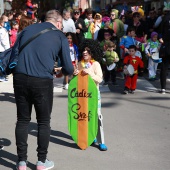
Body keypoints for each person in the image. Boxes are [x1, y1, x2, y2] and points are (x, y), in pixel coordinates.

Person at [12, 10, 74, 170]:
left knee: (22, 120)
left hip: (19, 77)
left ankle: (21, 162)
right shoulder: (60, 35)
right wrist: (60, 71)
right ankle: (41, 161)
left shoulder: (27, 29)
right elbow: (68, 68)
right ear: (59, 23)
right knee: (43, 121)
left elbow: (15, 52)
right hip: (42, 80)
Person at [73, 39, 107, 151]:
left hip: (94, 96)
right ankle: (90, 137)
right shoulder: (79, 64)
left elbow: (99, 79)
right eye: (83, 50)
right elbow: (76, 82)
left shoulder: (96, 64)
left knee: (97, 117)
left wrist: (89, 73)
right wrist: (75, 75)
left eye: (87, 51)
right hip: (82, 96)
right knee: (85, 117)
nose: (84, 52)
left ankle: (102, 141)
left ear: (92, 52)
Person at [159, 2, 170, 94]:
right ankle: (163, 88)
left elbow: (159, 31)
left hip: (166, 45)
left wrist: (160, 38)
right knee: (164, 67)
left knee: (164, 67)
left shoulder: (165, 18)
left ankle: (163, 88)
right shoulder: (165, 18)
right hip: (166, 44)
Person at [0, 18, 10, 82]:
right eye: (3, 23)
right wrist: (7, 48)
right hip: (2, 49)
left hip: (2, 48)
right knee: (2, 63)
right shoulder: (2, 30)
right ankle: (1, 76)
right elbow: (4, 40)